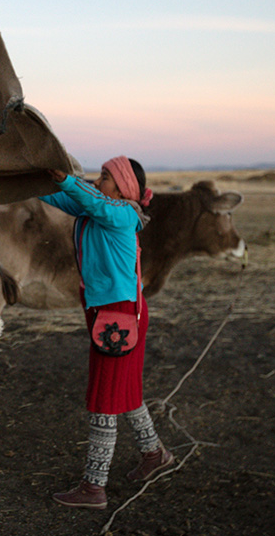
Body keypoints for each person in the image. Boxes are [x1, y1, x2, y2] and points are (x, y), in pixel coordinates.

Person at [40, 156, 174, 509]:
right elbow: (55, 197)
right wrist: (37, 182)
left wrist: (69, 182)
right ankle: (154, 454)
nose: (99, 181)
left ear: (125, 188)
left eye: (105, 177)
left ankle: (94, 487)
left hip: (118, 318)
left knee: (103, 402)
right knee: (126, 392)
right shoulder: (97, 210)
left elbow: (88, 200)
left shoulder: (124, 214)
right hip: (113, 314)